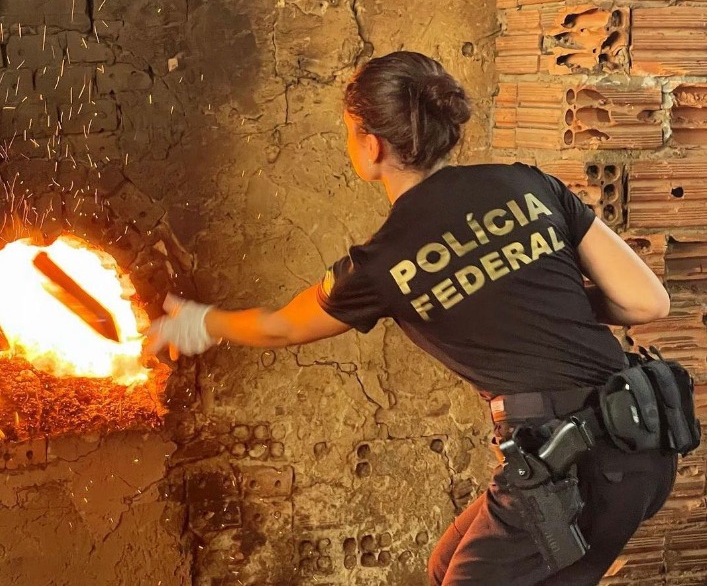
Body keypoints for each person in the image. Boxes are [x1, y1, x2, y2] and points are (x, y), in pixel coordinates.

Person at [148, 51, 676, 585]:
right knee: (445, 565)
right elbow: (646, 303)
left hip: (573, 470)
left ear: (372, 144)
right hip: (639, 437)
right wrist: (535, 298)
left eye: (350, 131)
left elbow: (281, 326)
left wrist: (202, 323)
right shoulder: (529, 185)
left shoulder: (381, 262)